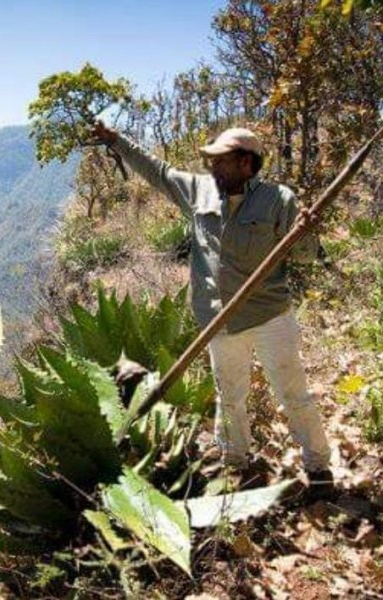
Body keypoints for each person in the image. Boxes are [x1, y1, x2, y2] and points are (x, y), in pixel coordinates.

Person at [93, 123, 334, 496]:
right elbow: (157, 171)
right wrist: (116, 141)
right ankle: (234, 463)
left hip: (270, 315)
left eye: (220, 161)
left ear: (245, 163)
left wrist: (309, 232)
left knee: (292, 392)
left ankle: (318, 467)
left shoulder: (278, 200)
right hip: (218, 320)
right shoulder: (198, 191)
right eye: (211, 161)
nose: (212, 168)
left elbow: (302, 256)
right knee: (229, 395)